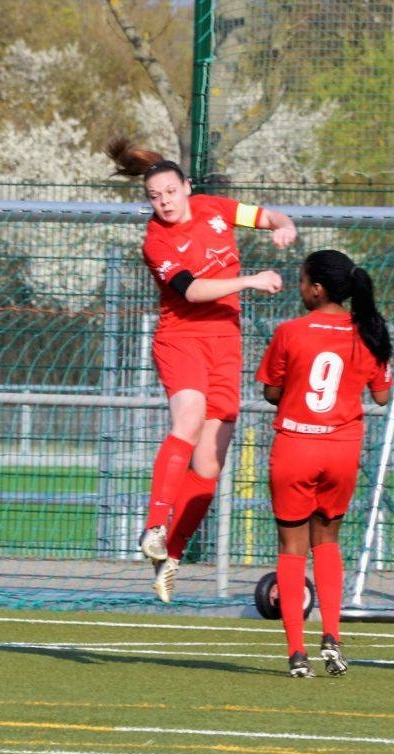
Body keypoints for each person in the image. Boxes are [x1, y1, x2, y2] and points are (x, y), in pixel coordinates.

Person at [106, 137, 297, 604]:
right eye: (155, 197)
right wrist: (250, 280)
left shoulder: (215, 208)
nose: (165, 202)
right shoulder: (156, 241)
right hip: (182, 339)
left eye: (171, 192)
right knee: (188, 420)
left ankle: (170, 556)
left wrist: (284, 225)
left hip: (225, 343)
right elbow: (190, 291)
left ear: (187, 187)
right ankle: (154, 525)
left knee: (210, 463)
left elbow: (267, 216)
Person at [256, 249, 393, 677]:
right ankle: (332, 637)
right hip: (341, 450)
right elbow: (382, 395)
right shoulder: (369, 332)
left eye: (302, 281)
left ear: (317, 289)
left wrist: (295, 387)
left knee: (291, 548)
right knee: (328, 541)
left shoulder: (290, 332)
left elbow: (271, 392)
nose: (299, 289)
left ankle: (297, 654)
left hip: (296, 446)